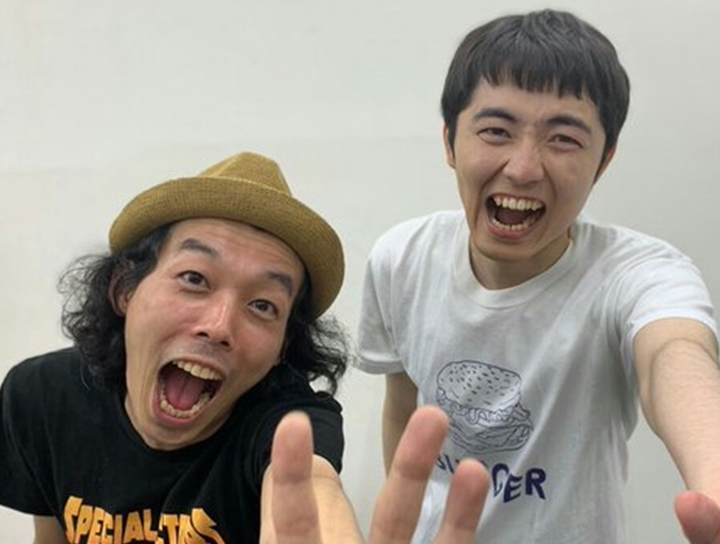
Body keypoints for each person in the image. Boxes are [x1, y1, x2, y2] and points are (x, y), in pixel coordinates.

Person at [355, 9, 720, 544]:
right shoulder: (402, 259)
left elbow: (674, 353)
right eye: (495, 131)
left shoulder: (636, 273)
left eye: (564, 139)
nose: (523, 168)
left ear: (604, 160)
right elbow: (403, 407)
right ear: (450, 141)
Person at [0, 151, 489, 544]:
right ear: (125, 289)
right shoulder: (41, 398)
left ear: (282, 348)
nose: (219, 326)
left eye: (262, 305)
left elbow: (310, 483)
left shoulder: (290, 425)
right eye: (195, 279)